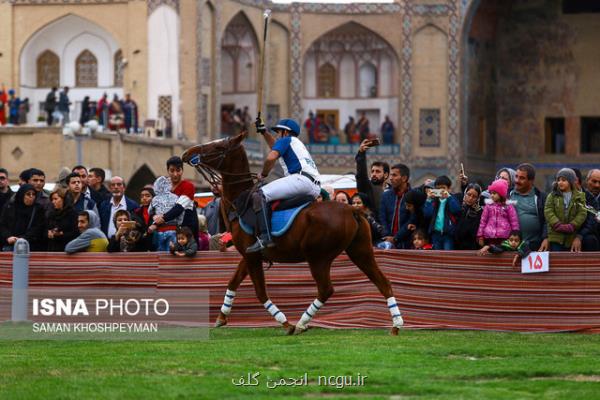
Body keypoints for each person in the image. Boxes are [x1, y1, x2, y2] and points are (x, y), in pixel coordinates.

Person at [249, 117, 321, 252]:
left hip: (301, 180)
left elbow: (271, 157)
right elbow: (274, 145)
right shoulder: (295, 143)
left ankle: (265, 237)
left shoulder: (286, 140)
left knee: (259, 195)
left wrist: (263, 174)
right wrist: (264, 132)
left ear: (286, 133)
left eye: (279, 132)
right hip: (314, 186)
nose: (277, 135)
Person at [154, 156, 199, 244]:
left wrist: (161, 219)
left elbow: (179, 208)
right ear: (168, 171)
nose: (175, 174)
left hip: (186, 232)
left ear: (182, 170)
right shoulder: (163, 185)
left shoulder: (188, 186)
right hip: (165, 232)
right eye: (172, 170)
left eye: (178, 170)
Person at [544, 168, 587, 252]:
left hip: (572, 236)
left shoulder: (580, 196)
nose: (560, 182)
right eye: (558, 180)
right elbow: (548, 210)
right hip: (556, 235)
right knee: (557, 257)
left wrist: (573, 225)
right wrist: (556, 224)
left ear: (571, 182)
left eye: (563, 180)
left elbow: (582, 213)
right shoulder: (552, 196)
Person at [509, 163, 548, 252]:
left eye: (522, 178)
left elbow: (547, 221)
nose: (517, 180)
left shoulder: (541, 197)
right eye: (516, 176)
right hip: (510, 246)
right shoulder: (508, 194)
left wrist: (546, 238)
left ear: (531, 181)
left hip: (533, 247)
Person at [0, 184, 46, 251]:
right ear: (21, 195)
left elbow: (38, 228)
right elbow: (2, 225)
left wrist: (21, 239)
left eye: (33, 194)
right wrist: (8, 237)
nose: (31, 197)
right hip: (10, 244)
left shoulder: (38, 209)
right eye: (28, 194)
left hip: (30, 246)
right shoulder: (10, 207)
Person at [477, 179, 520, 246]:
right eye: (491, 193)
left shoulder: (508, 206)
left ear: (501, 193)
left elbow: (514, 221)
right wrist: (480, 235)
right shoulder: (488, 206)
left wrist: (516, 235)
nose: (492, 195)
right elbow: (483, 221)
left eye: (494, 193)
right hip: (490, 236)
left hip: (505, 236)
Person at [423, 176, 461, 250]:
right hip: (436, 234)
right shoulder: (434, 200)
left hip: (448, 234)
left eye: (443, 188)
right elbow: (427, 214)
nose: (440, 190)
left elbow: (456, 210)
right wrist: (428, 199)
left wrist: (449, 197)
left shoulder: (452, 199)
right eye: (438, 188)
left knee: (447, 256)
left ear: (449, 189)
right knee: (437, 257)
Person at [355, 138, 390, 220]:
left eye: (377, 172)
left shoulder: (393, 191)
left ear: (386, 175)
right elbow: (361, 174)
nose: (374, 174)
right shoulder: (368, 187)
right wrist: (361, 154)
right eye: (372, 171)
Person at [380, 164, 412, 249]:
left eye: (394, 175)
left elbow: (412, 220)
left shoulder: (412, 196)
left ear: (404, 178)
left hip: (406, 242)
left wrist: (396, 238)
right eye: (390, 175)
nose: (390, 178)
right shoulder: (385, 196)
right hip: (387, 242)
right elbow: (382, 218)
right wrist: (387, 237)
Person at [148, 176, 180, 251]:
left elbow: (149, 211)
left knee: (160, 254)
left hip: (160, 230)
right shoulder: (176, 197)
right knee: (171, 254)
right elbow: (180, 213)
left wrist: (155, 216)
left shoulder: (155, 199)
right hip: (173, 230)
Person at [46, 188, 79, 252]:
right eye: (52, 199)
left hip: (67, 249)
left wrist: (61, 234)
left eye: (56, 199)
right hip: (53, 248)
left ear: (64, 199)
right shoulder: (51, 214)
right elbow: (46, 227)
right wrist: (49, 232)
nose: (53, 201)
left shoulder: (72, 214)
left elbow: (75, 232)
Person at [454, 183, 483, 250]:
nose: (470, 198)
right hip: (456, 246)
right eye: (469, 195)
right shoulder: (458, 207)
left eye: (474, 196)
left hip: (472, 248)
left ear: (478, 198)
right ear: (465, 194)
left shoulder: (480, 212)